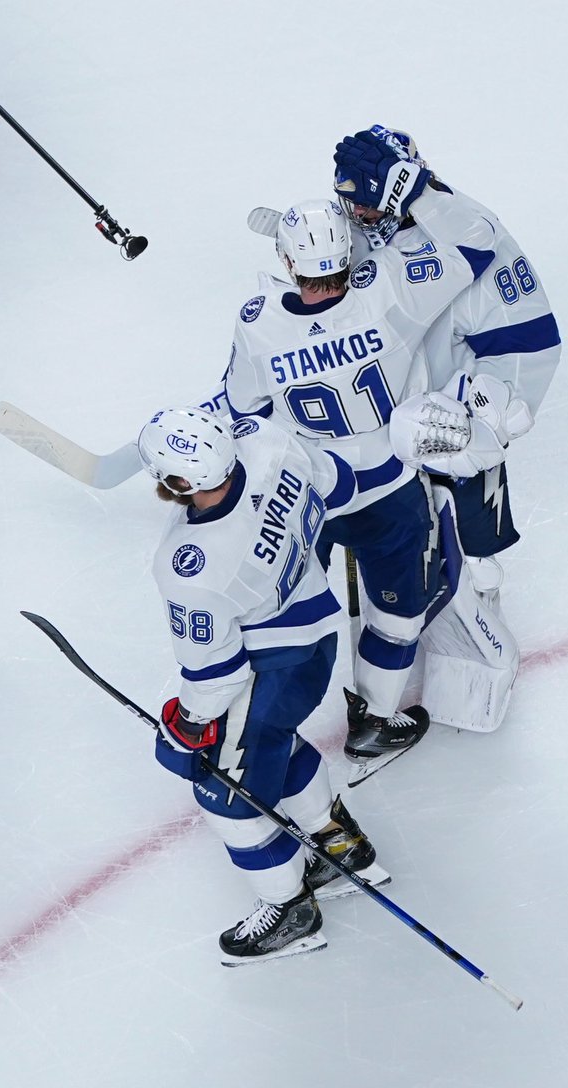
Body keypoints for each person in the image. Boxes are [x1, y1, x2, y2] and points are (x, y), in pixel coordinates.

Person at [223, 190, 497, 780]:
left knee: (288, 624)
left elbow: (244, 408)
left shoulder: (258, 324)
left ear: (289, 263)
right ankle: (373, 722)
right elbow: (477, 243)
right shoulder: (388, 291)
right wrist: (411, 197)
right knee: (398, 615)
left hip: (308, 500)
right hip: (389, 491)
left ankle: (253, 743)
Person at [138, 405, 388, 965]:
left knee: (223, 787)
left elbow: (216, 673)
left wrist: (188, 725)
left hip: (268, 668)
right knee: (272, 739)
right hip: (318, 636)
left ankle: (290, 910)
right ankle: (337, 846)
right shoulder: (267, 442)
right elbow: (337, 482)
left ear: (177, 483)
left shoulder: (191, 564)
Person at [333, 125, 562, 606]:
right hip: (391, 418)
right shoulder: (367, 233)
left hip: (456, 410)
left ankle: (481, 601)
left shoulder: (463, 241)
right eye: (351, 204)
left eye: (369, 206)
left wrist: (486, 415)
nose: (358, 216)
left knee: (470, 540)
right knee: (402, 542)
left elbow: (531, 338)